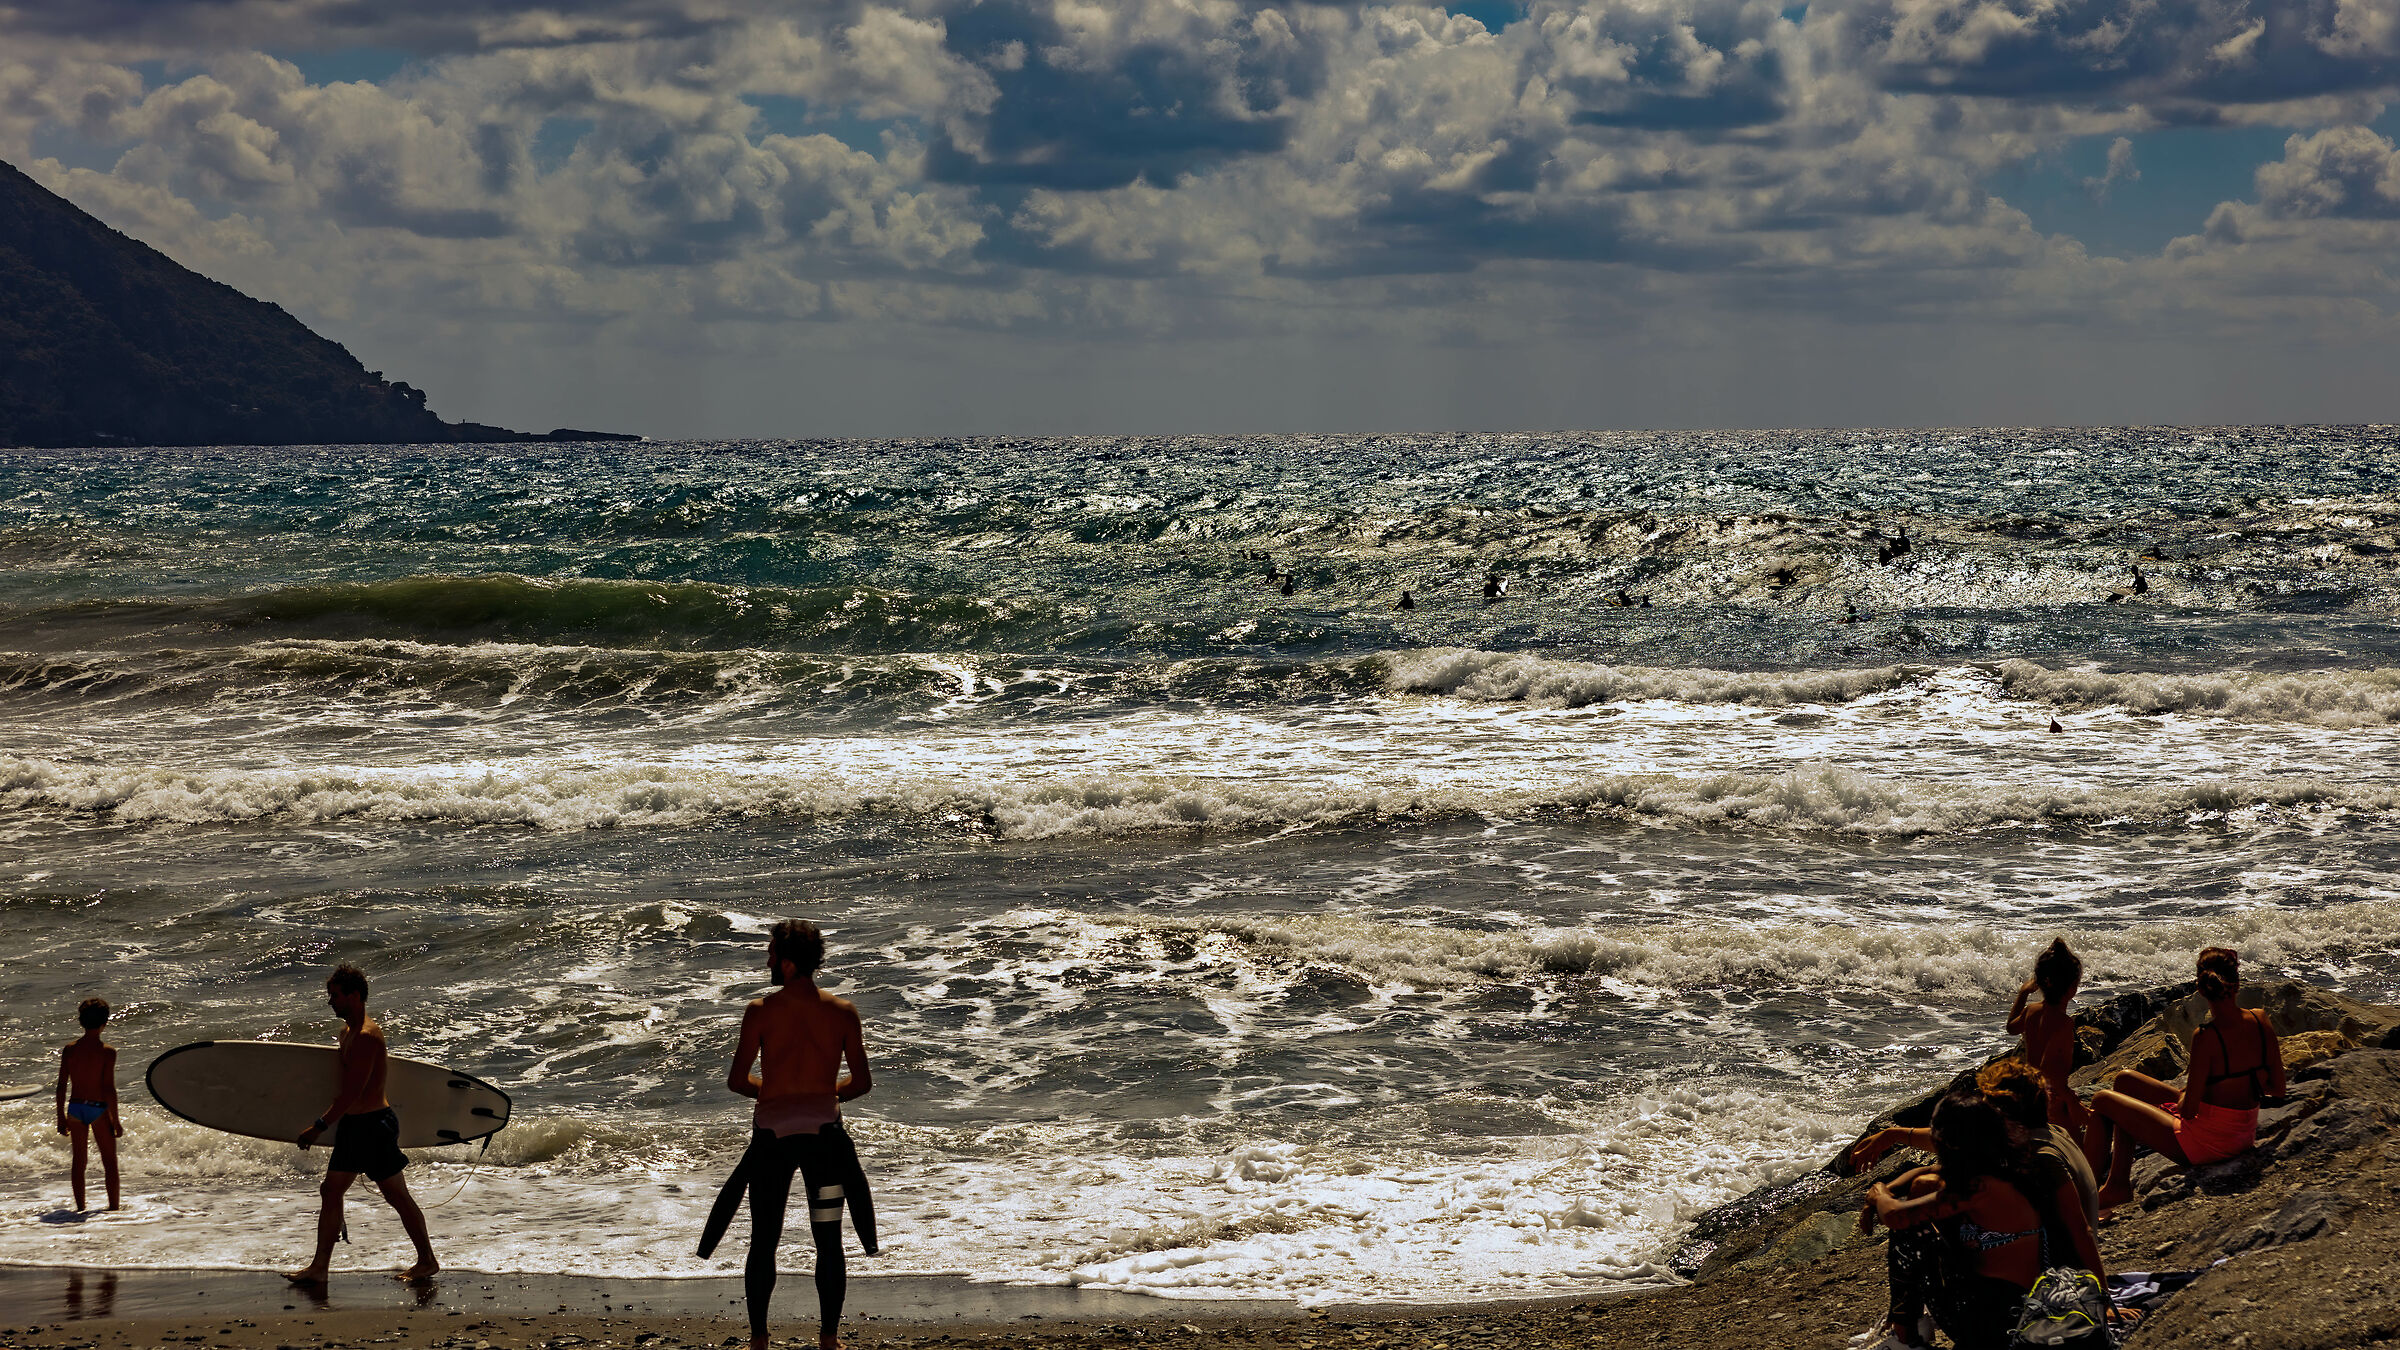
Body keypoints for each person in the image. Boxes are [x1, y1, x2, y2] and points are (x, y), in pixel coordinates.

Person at [726, 920, 875, 1350]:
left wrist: (774, 1092)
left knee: (764, 1237)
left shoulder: (760, 1011)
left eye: (772, 954)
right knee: (828, 1239)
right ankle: (828, 1340)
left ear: (788, 964)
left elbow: (738, 1081)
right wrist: (823, 1094)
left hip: (771, 1142)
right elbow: (861, 1083)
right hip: (825, 1142)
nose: (768, 962)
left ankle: (759, 1341)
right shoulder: (843, 1013)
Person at [2086, 947, 2283, 1216]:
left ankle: (2087, 1197)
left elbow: (2188, 1110)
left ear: (2201, 989)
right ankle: (2116, 1185)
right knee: (2125, 1081)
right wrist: (2232, 1086)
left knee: (2101, 1101)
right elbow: (2278, 1089)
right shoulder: (2260, 1020)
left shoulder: (2206, 1036)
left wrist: (2187, 1098)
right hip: (2242, 1134)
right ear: (2237, 982)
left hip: (2208, 1145)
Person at [287, 963, 440, 1285]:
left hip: (373, 1128)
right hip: (354, 1127)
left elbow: (351, 1094)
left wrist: (318, 1126)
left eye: (335, 995)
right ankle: (320, 1268)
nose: (330, 1001)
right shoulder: (347, 1033)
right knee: (332, 1190)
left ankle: (427, 1260)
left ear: (354, 996)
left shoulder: (368, 1038)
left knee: (395, 1195)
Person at [1860, 1091, 2045, 1350]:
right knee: (1924, 1194)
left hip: (1996, 1325)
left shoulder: (1976, 1188)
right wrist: (1888, 1189)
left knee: (1912, 1231)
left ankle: (1905, 1337)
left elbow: (1896, 1216)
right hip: (2020, 1307)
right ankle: (1910, 1326)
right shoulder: (2002, 1165)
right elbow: (1926, 1170)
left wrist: (1878, 1195)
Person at [2005, 939, 2085, 1134]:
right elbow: (2051, 1073)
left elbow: (2011, 1027)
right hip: (2052, 1099)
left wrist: (2023, 993)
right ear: (2072, 987)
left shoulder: (2031, 1011)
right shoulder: (2064, 1023)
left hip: (2030, 1093)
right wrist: (2072, 1102)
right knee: (2079, 1141)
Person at [55, 997, 123, 1212]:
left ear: (81, 1021)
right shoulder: (107, 1052)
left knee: (79, 1161)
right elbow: (109, 1089)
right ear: (105, 1022)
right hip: (98, 1108)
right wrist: (115, 1120)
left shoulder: (70, 1050)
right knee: (109, 1161)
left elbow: (61, 1086)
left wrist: (60, 1116)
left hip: (75, 1108)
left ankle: (80, 1209)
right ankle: (114, 1209)